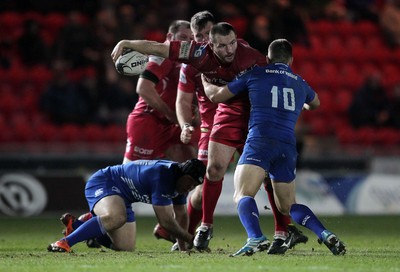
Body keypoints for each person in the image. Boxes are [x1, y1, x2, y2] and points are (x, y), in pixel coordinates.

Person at [111, 21, 308, 254]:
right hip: (224, 115)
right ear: (209, 45)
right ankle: (205, 226)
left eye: (232, 43)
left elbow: (278, 76)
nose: (229, 50)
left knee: (265, 175)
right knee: (212, 170)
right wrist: (127, 42)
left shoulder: (251, 57)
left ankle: (282, 231)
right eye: (223, 46)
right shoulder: (196, 54)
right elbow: (159, 48)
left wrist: (299, 97)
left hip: (253, 117)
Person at [201, 38, 346, 257]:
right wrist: (301, 103)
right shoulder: (298, 81)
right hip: (287, 145)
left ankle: (255, 237)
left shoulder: (256, 73)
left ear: (267, 58)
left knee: (242, 194)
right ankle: (325, 233)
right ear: (291, 60)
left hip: (260, 140)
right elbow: (316, 103)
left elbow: (217, 96)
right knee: (288, 206)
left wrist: (205, 83)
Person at [47, 158, 206, 253]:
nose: (190, 188)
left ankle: (80, 225)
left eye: (194, 186)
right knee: (117, 217)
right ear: (184, 175)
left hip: (124, 198)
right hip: (105, 181)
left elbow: (181, 215)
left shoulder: (182, 184)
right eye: (190, 183)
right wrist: (190, 238)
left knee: (125, 247)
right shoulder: (163, 177)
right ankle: (64, 242)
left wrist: (183, 248)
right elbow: (166, 221)